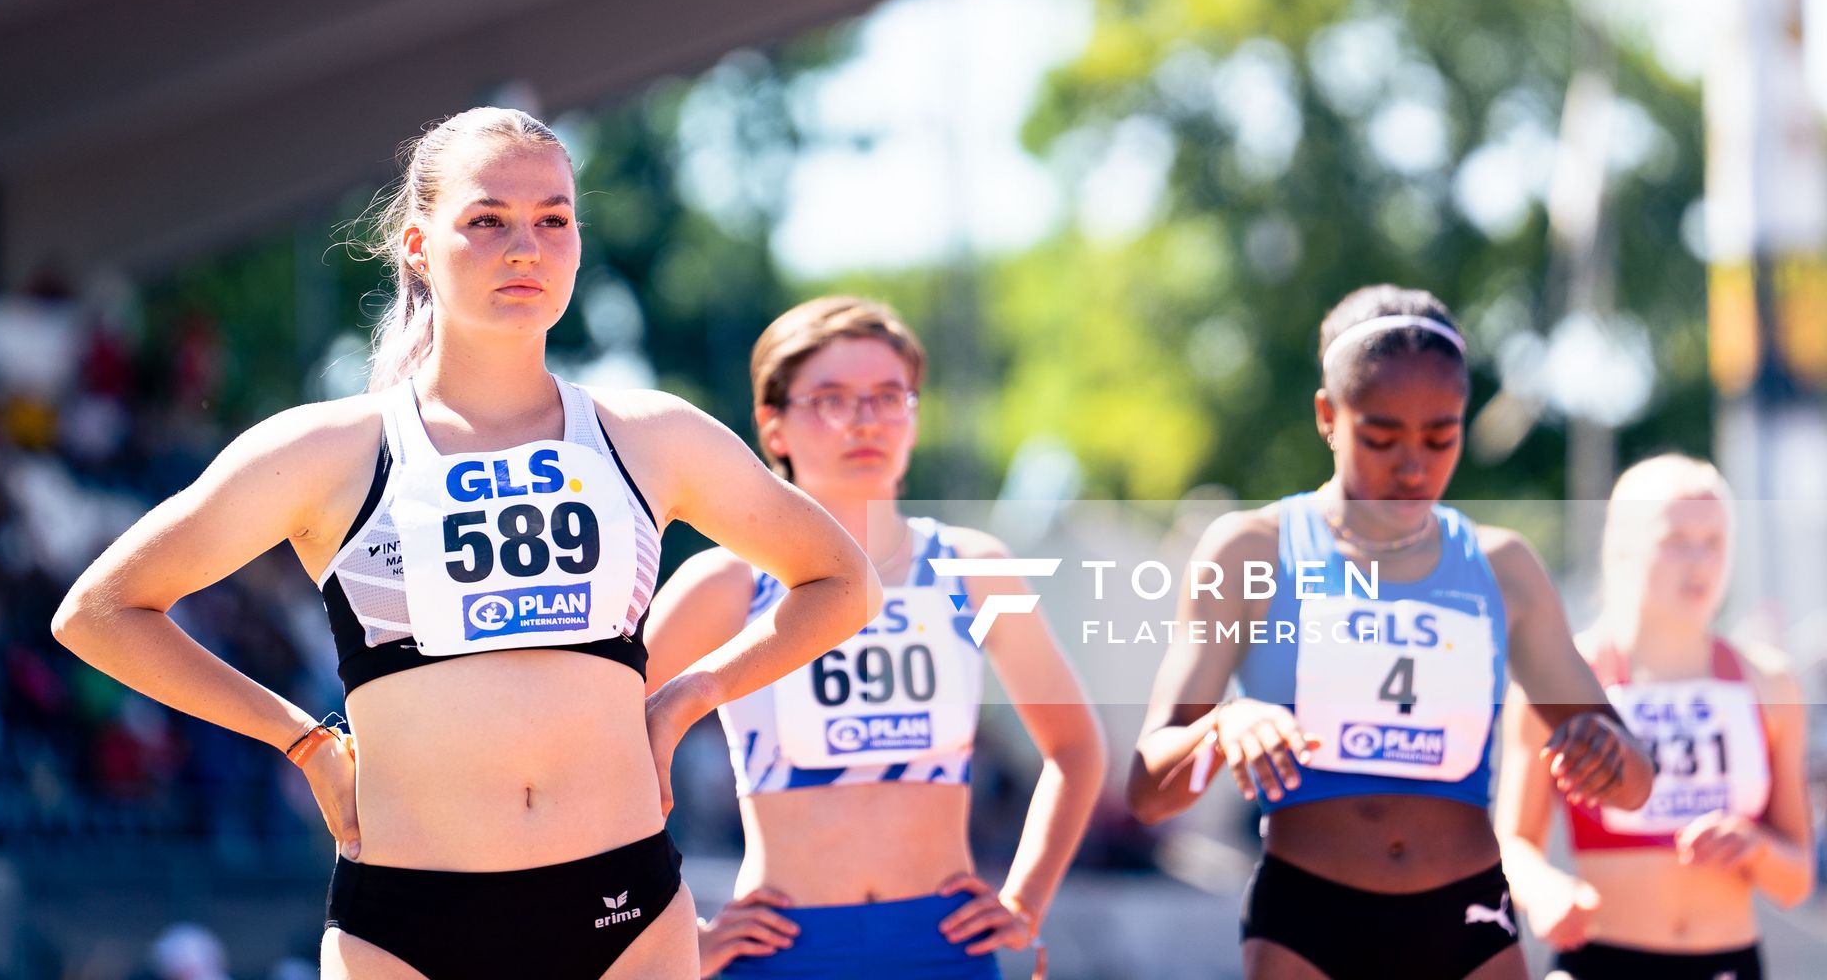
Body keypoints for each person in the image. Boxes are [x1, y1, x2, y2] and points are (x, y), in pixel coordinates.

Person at [53, 108, 880, 980]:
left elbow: (840, 581)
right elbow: (101, 612)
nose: (524, 246)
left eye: (553, 219)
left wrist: (685, 699)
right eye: (487, 220)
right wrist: (300, 741)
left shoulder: (655, 437)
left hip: (624, 911)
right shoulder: (329, 450)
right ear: (418, 245)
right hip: (406, 925)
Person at [1127, 284, 1655, 980]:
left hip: (1467, 921)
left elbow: (1637, 784)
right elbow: (1147, 790)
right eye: (1380, 438)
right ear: (1327, 415)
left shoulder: (1503, 569)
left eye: (1441, 437)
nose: (1413, 467)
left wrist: (1605, 751)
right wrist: (1225, 727)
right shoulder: (1250, 550)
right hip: (1306, 924)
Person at [644, 297, 1106, 979]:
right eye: (831, 398)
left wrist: (1025, 900)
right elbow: (597, 757)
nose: (865, 420)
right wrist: (678, 930)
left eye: (889, 396)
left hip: (942, 945)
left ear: (914, 418)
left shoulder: (973, 570)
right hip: (780, 950)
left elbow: (1075, 749)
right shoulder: (727, 583)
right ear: (773, 427)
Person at [1496, 454, 1814, 980]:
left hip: (1728, 963)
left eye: (1714, 543)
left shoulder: (1770, 685)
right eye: (1676, 540)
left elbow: (1797, 877)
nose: (1699, 562)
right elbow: (1511, 845)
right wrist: (1545, 892)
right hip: (1601, 961)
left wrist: (1753, 847)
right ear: (1621, 546)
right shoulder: (1560, 683)